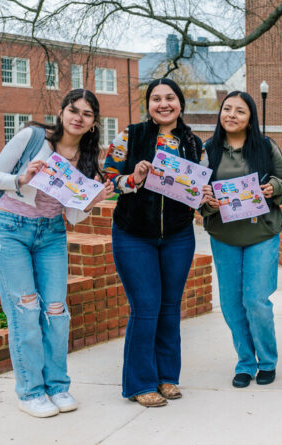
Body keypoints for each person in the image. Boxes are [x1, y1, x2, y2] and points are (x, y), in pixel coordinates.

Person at [0, 89, 114, 417]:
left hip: (51, 233)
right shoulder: (32, 136)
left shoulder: (88, 158)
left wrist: (91, 201)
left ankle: (57, 386)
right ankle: (30, 391)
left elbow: (71, 215)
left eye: (86, 114)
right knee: (25, 311)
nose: (78, 117)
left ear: (93, 123)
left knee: (56, 312)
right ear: (62, 111)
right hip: (10, 229)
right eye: (73, 110)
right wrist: (21, 177)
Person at [103, 78, 205, 407]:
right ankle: (140, 382)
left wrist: (207, 197)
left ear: (180, 103)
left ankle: (166, 377)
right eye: (156, 98)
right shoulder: (130, 135)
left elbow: (201, 187)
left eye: (170, 98)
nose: (163, 104)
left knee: (170, 308)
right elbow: (106, 179)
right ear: (148, 104)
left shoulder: (192, 142)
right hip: (134, 233)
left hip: (177, 235)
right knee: (146, 308)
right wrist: (134, 177)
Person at [200, 91, 282, 389]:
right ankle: (245, 362)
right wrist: (207, 203)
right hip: (225, 235)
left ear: (250, 117)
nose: (231, 115)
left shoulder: (265, 148)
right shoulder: (208, 150)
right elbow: (196, 193)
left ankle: (267, 361)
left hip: (261, 234)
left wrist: (274, 188)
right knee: (231, 304)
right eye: (226, 109)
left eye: (239, 111)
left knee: (255, 300)